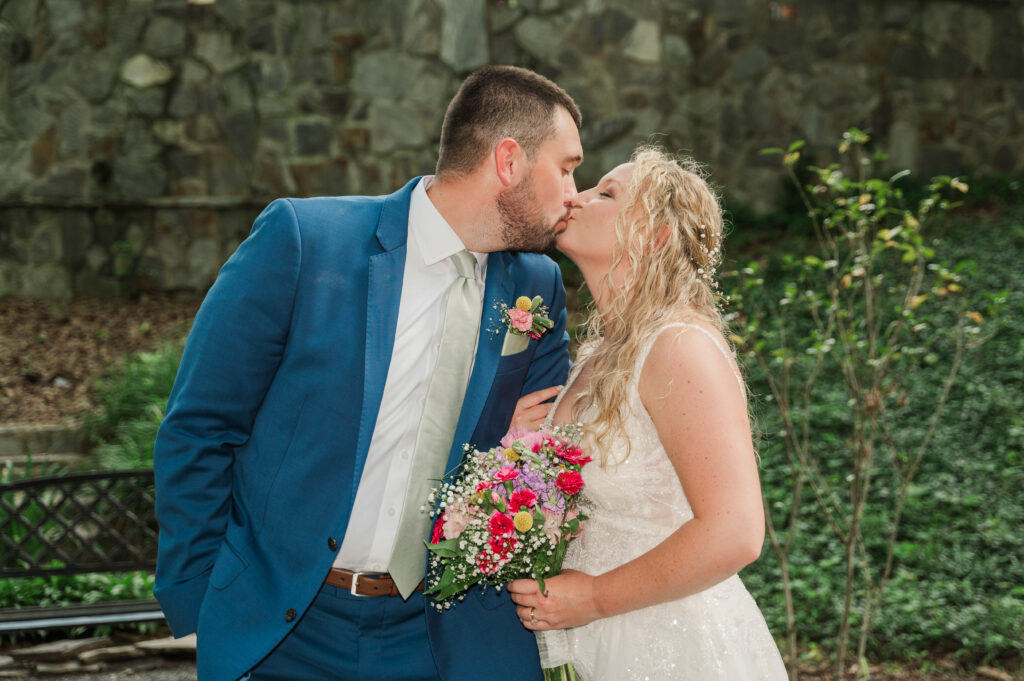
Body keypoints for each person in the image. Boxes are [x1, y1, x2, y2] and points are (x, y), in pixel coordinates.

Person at [153, 66, 583, 681]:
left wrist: (501, 441)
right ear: (508, 160)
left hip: (439, 634)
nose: (574, 191)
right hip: (286, 628)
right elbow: (200, 426)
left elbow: (536, 461)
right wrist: (205, 600)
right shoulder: (306, 241)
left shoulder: (536, 287)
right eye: (566, 167)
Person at [507, 148, 789, 680]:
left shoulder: (679, 345)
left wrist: (593, 597)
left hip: (667, 642)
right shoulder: (598, 356)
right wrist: (520, 446)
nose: (577, 196)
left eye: (606, 194)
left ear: (654, 236)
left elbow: (736, 531)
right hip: (588, 642)